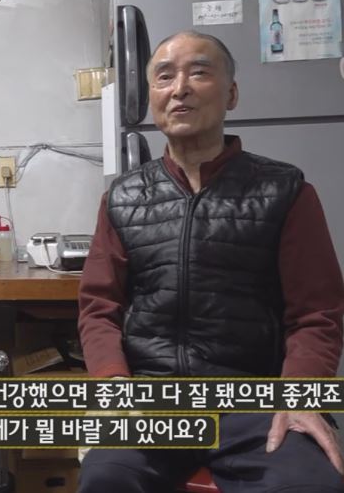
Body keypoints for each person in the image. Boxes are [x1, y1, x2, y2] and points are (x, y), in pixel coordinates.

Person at [77, 31, 344, 492]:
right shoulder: (122, 198)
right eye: (164, 77)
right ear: (151, 97)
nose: (179, 88)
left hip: (256, 404)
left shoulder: (286, 191)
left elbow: (317, 313)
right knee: (106, 479)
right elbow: (99, 308)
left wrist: (300, 392)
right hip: (151, 404)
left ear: (232, 94)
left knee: (310, 484)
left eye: (198, 72)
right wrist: (112, 383)